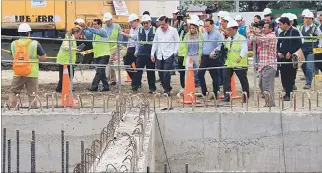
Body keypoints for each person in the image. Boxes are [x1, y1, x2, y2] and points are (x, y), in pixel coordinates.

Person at [8, 23, 47, 108]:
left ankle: (11, 108)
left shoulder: (13, 44)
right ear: (29, 33)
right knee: (32, 94)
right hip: (32, 72)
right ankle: (32, 110)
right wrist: (36, 57)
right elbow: (44, 58)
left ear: (19, 33)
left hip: (18, 72)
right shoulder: (35, 44)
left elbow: (13, 57)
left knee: (14, 92)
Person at [249, 22, 277, 107]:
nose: (263, 29)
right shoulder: (264, 36)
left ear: (271, 29)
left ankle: (270, 103)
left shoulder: (272, 36)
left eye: (265, 27)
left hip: (269, 64)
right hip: (263, 64)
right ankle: (269, 102)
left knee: (267, 85)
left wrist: (255, 32)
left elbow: (262, 39)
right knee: (262, 84)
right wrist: (253, 33)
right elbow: (253, 39)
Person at [151, 16, 180, 95]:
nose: (161, 26)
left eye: (163, 24)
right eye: (160, 24)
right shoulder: (158, 30)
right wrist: (152, 53)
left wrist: (174, 52)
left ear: (167, 23)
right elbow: (155, 42)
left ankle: (166, 90)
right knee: (160, 73)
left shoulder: (173, 31)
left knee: (166, 73)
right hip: (160, 54)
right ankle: (167, 87)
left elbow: (177, 42)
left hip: (169, 54)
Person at [222, 20, 249, 103]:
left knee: (242, 80)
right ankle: (227, 96)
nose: (228, 32)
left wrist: (241, 56)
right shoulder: (229, 39)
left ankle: (245, 96)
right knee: (226, 79)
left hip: (239, 62)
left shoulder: (241, 38)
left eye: (229, 30)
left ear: (235, 29)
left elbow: (245, 48)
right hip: (229, 62)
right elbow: (226, 47)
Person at [277, 17, 302, 101]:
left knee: (290, 76)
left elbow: (298, 44)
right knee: (283, 76)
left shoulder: (294, 31)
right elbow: (278, 44)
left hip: (291, 58)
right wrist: (279, 52)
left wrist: (290, 52)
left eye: (280, 24)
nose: (279, 26)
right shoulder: (281, 33)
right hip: (282, 59)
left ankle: (289, 93)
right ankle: (286, 92)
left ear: (285, 23)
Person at [82, 19, 110, 92]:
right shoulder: (94, 33)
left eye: (95, 24)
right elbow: (87, 35)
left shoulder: (102, 31)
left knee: (100, 70)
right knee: (101, 71)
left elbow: (96, 31)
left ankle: (94, 87)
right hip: (97, 55)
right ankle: (106, 86)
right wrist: (83, 28)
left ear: (100, 25)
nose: (94, 26)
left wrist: (87, 27)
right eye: (93, 24)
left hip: (104, 55)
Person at [198, 18, 223, 99]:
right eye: (205, 26)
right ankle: (204, 92)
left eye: (207, 26)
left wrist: (214, 51)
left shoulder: (218, 34)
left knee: (214, 76)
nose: (206, 28)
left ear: (212, 25)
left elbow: (220, 45)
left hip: (213, 58)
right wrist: (200, 54)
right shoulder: (204, 33)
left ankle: (216, 93)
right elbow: (202, 45)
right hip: (204, 57)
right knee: (200, 74)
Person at [132, 15, 157, 93]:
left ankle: (152, 88)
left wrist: (155, 53)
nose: (145, 25)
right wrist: (136, 51)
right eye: (144, 23)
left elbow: (157, 43)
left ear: (150, 22)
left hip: (150, 53)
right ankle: (135, 86)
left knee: (151, 71)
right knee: (138, 70)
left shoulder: (155, 30)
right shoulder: (140, 30)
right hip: (141, 53)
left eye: (147, 23)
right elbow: (138, 42)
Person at [298, 12, 322, 89]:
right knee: (302, 65)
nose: (307, 20)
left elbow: (320, 37)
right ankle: (308, 77)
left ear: (312, 19)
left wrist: (319, 47)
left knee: (309, 66)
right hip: (302, 50)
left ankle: (308, 83)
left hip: (311, 50)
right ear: (304, 19)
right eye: (306, 18)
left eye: (309, 18)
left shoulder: (315, 28)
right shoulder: (300, 27)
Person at [55, 26, 82, 93]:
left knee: (68, 75)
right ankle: (60, 88)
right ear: (75, 33)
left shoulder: (72, 38)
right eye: (79, 33)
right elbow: (65, 47)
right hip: (64, 60)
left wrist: (75, 50)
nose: (80, 35)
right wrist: (75, 49)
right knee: (65, 75)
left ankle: (63, 88)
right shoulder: (69, 38)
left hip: (67, 60)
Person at [102, 12, 123, 86]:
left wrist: (119, 44)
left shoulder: (117, 26)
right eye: (106, 21)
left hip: (114, 46)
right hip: (106, 47)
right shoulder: (103, 26)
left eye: (108, 21)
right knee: (109, 62)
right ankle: (111, 79)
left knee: (109, 60)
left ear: (111, 20)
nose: (107, 22)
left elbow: (120, 36)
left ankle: (110, 79)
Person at [182, 20, 203, 88]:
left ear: (196, 28)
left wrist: (200, 56)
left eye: (193, 28)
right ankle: (188, 86)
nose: (191, 29)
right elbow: (184, 46)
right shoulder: (187, 36)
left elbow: (202, 46)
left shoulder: (200, 35)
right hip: (189, 55)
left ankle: (199, 86)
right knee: (188, 72)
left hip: (197, 55)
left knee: (198, 72)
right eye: (190, 28)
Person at [121, 13, 140, 87]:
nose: (130, 24)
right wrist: (128, 47)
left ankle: (136, 83)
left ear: (136, 21)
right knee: (126, 63)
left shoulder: (140, 28)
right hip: (131, 48)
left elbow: (135, 37)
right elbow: (130, 39)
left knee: (138, 66)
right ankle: (135, 80)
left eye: (131, 22)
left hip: (137, 48)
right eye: (130, 22)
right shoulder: (132, 28)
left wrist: (124, 34)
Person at [177, 23, 189, 92]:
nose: (185, 27)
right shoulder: (181, 32)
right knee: (182, 72)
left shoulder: (191, 34)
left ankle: (188, 86)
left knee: (188, 72)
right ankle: (183, 86)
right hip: (181, 55)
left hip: (187, 55)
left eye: (186, 25)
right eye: (184, 26)